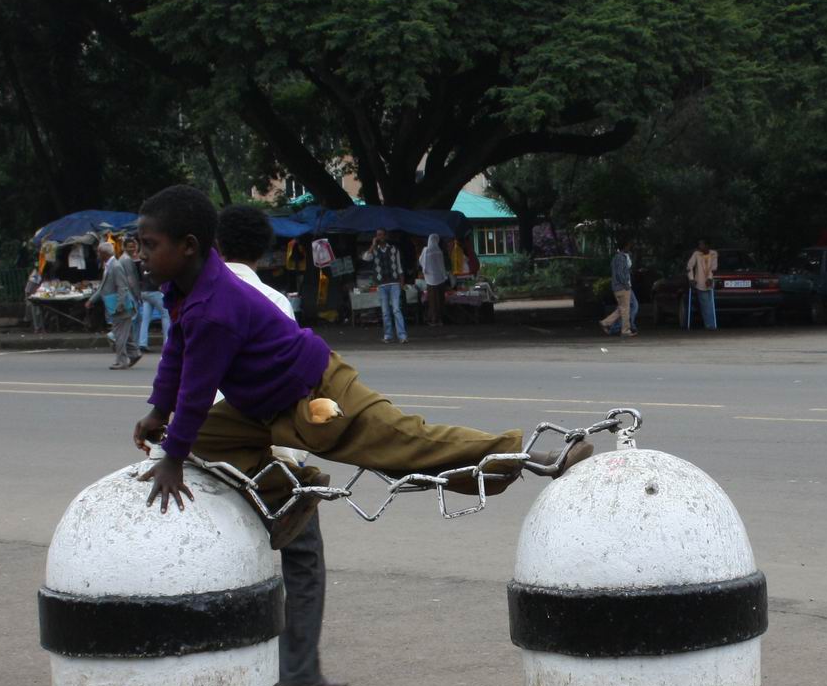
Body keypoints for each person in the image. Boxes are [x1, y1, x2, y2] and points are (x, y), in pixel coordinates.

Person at [128, 186, 582, 527]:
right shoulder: (185, 289)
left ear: (189, 245)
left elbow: (197, 388)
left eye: (149, 244)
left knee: (409, 443)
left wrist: (172, 459)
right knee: (202, 439)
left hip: (315, 391)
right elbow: (175, 355)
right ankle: (293, 488)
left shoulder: (213, 309)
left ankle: (534, 457)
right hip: (261, 405)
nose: (140, 255)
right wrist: (158, 413)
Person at [216, 205, 349, 686]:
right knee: (303, 555)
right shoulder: (271, 299)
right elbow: (287, 385)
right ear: (267, 251)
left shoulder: (190, 295)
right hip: (261, 452)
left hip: (198, 444)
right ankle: (299, 668)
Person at [95, 239, 143, 369]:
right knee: (125, 334)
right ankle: (134, 354)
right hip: (116, 306)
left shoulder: (116, 266)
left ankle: (121, 361)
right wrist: (92, 300)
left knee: (119, 335)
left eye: (99, 253)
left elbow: (123, 287)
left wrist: (120, 304)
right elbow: (103, 287)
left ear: (104, 253)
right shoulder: (109, 265)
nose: (98, 255)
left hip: (120, 307)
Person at [365, 229, 409, 344]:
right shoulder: (374, 250)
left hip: (394, 284)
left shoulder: (394, 249)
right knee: (385, 312)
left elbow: (399, 267)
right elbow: (365, 258)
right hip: (382, 285)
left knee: (396, 309)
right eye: (378, 235)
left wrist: (402, 283)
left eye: (381, 235)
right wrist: (373, 245)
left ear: (386, 236)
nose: (380, 237)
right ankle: (388, 335)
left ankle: (402, 336)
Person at [131, 237, 170, 352]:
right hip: (154, 291)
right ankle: (167, 342)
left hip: (144, 292)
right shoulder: (155, 262)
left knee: (145, 318)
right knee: (165, 314)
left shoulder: (142, 263)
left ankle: (142, 342)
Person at [599, 239, 636, 337]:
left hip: (616, 287)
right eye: (628, 245)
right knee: (625, 309)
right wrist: (626, 285)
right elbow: (620, 273)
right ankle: (625, 330)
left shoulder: (616, 257)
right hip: (622, 287)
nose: (630, 247)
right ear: (625, 246)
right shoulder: (621, 258)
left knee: (622, 308)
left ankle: (605, 322)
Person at [683, 239, 718, 330]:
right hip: (700, 282)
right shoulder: (696, 254)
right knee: (706, 304)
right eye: (699, 244)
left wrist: (710, 278)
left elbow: (714, 267)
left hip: (710, 282)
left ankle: (711, 325)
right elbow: (689, 266)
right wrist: (691, 279)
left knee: (710, 304)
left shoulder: (713, 253)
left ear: (707, 245)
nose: (700, 246)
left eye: (702, 244)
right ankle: (710, 325)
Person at [418, 234, 449, 327]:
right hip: (439, 279)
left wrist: (426, 270)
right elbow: (441, 266)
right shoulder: (439, 251)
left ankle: (433, 319)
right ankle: (439, 319)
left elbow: (420, 261)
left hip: (429, 280)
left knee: (432, 300)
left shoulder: (425, 250)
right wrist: (445, 276)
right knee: (439, 299)